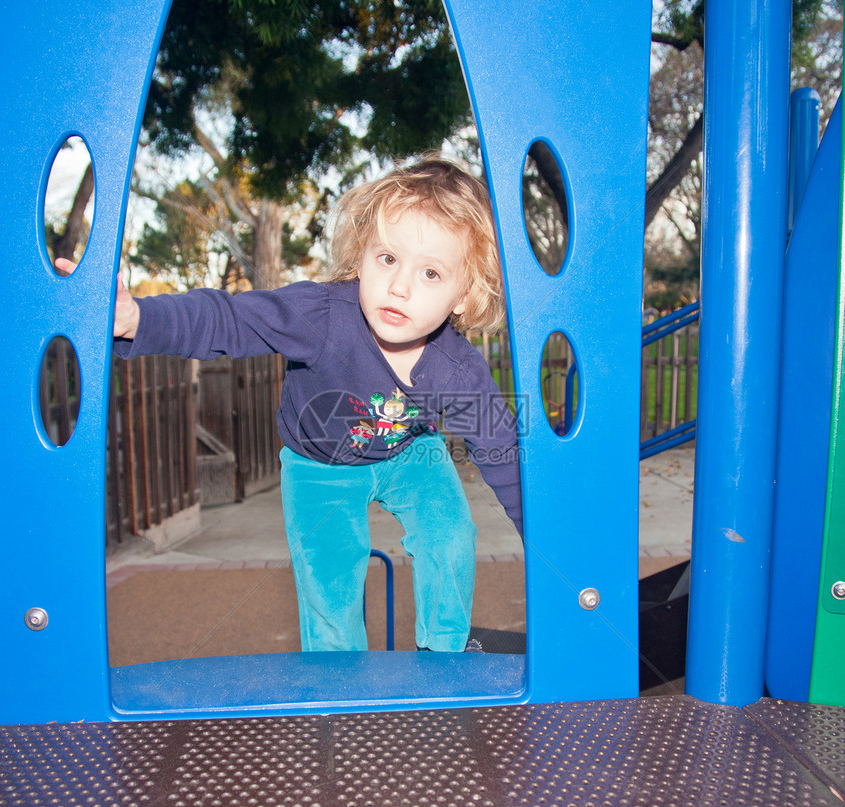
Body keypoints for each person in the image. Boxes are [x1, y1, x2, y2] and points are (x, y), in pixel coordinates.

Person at [58, 155, 522, 653]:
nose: (400, 286)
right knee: (331, 574)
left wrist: (549, 535)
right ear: (363, 254)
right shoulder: (319, 314)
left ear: (462, 295)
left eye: (431, 273)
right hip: (318, 462)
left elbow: (504, 455)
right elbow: (229, 319)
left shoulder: (460, 370)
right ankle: (337, 680)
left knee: (450, 532)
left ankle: (445, 655)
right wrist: (138, 319)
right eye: (387, 258)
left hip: (410, 453)